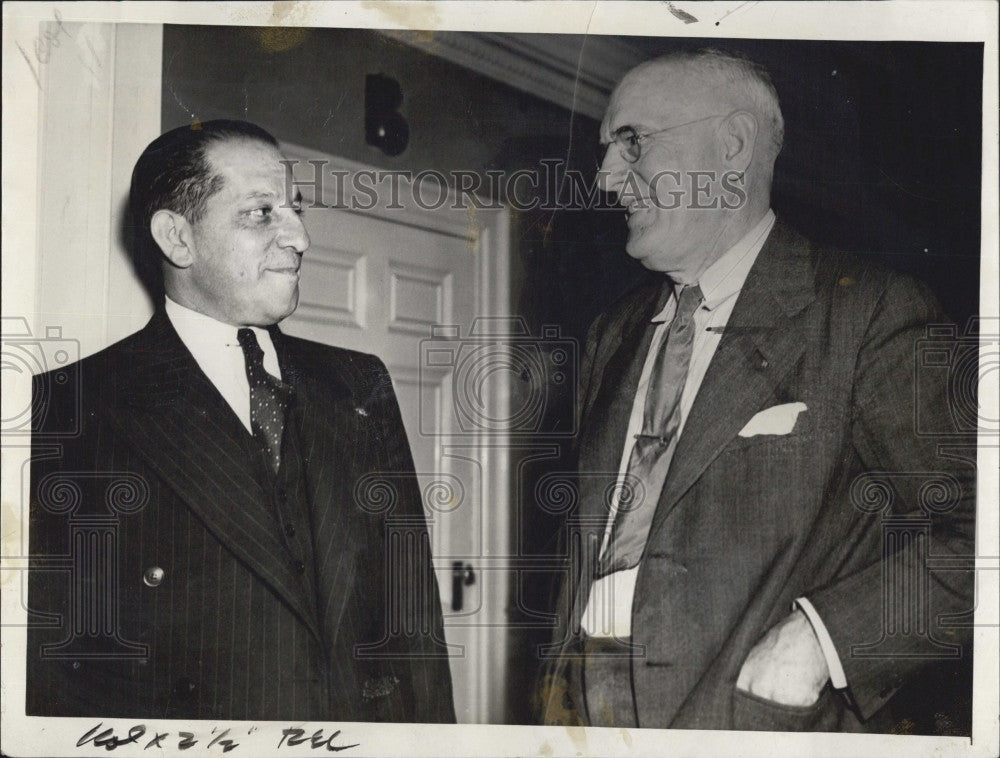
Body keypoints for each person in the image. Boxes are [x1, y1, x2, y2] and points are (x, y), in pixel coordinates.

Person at [537, 49, 975, 732]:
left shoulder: (868, 314)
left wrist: (820, 640)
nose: (605, 177)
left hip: (752, 715)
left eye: (631, 143)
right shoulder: (611, 332)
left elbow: (985, 536)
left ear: (733, 145)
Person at [27, 120, 455, 722]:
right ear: (178, 237)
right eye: (261, 213)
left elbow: (414, 627)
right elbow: (59, 674)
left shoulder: (360, 385)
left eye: (296, 211)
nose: (300, 237)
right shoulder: (69, 407)